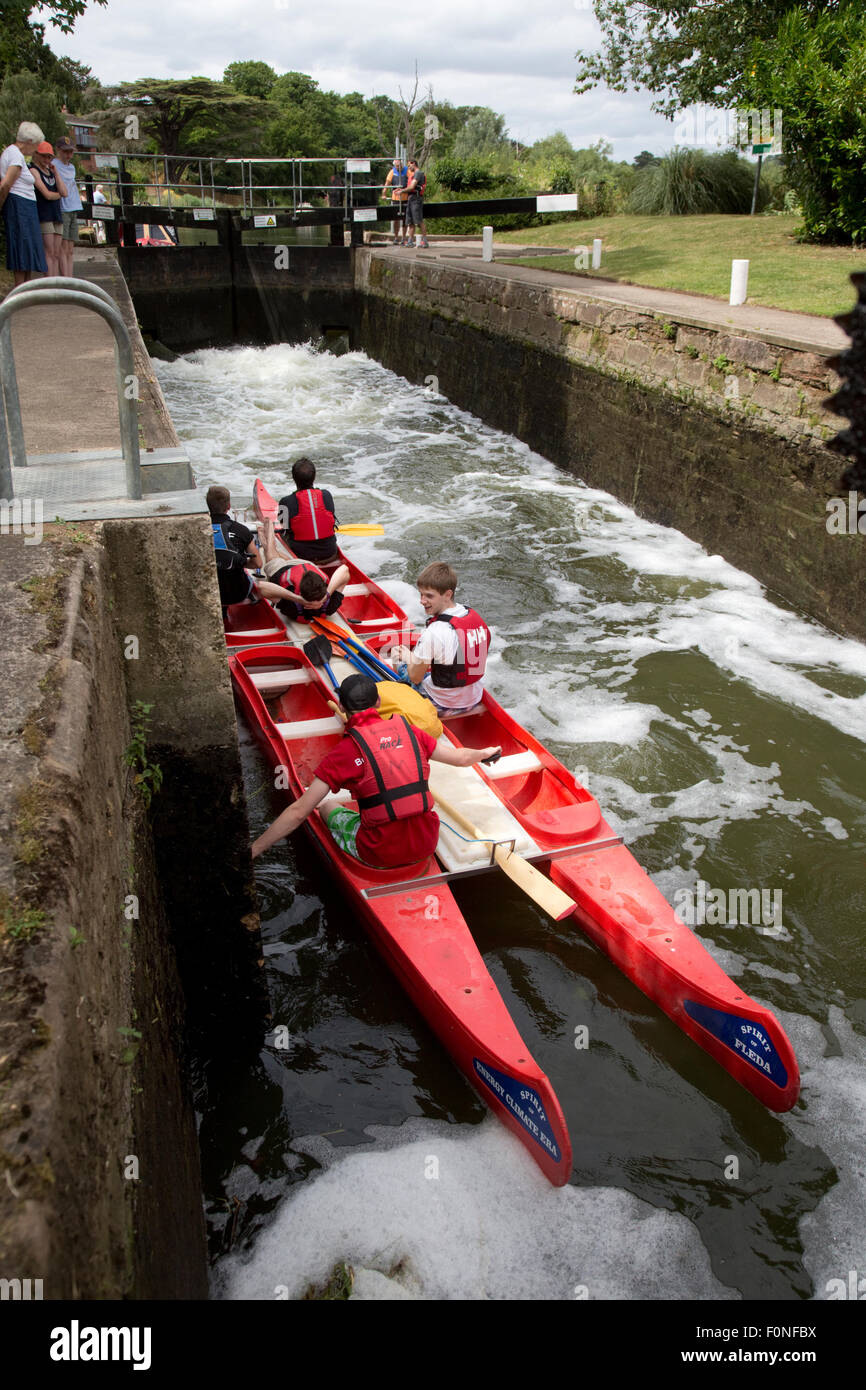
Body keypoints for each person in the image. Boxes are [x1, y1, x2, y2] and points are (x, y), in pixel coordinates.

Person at [251, 673, 501, 866]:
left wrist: (254, 849)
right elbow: (460, 758)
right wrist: (484, 754)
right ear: (378, 702)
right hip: (426, 842)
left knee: (326, 806)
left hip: (377, 852)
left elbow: (298, 812)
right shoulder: (412, 731)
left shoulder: (345, 751)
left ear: (342, 707)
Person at [404, 562, 491, 716]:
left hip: (442, 703)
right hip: (474, 698)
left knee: (402, 666)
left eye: (429, 596)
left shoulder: (435, 631)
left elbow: (415, 678)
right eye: (421, 594)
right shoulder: (474, 617)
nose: (422, 601)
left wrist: (407, 658)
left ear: (448, 594)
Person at [206, 483, 287, 613]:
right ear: (229, 507)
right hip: (238, 593)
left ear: (208, 507)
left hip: (210, 593)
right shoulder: (241, 530)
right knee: (249, 574)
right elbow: (257, 563)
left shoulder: (200, 531)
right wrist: (238, 562)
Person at [260, 513, 350, 623]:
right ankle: (269, 533)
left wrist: (295, 598)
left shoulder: (292, 606)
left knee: (271, 554)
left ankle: (266, 535)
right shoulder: (329, 606)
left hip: (298, 567)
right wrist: (327, 594)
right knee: (271, 554)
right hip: (294, 567)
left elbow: (260, 587)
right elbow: (344, 570)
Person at [0, 123, 48, 285]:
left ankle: (26, 291)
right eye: (35, 145)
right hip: (19, 206)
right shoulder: (14, 155)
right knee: (21, 249)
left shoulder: (15, 154)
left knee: (27, 251)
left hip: (25, 206)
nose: (35, 150)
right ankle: (20, 291)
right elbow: (6, 184)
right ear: (28, 141)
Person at [277, 457, 340, 567]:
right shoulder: (326, 495)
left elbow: (284, 526)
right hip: (330, 554)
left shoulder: (285, 501)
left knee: (281, 535)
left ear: (293, 478)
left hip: (301, 556)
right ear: (314, 477)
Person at [30, 141, 66, 278]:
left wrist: (56, 173)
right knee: (49, 252)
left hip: (56, 214)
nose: (46, 160)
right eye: (44, 156)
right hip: (44, 214)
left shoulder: (50, 171)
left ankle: (55, 281)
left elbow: (64, 191)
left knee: (56, 253)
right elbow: (47, 194)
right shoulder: (34, 170)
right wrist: (59, 195)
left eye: (49, 157)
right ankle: (49, 281)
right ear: (37, 155)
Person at [52, 136, 83, 277]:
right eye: (65, 152)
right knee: (63, 248)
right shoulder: (53, 165)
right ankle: (65, 279)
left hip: (73, 207)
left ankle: (70, 278)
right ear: (58, 150)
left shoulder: (72, 167)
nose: (68, 155)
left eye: (70, 152)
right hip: (63, 208)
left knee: (70, 248)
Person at [381, 158, 409, 246]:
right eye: (396, 166)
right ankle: (396, 237)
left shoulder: (407, 171)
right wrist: (384, 193)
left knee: (405, 219)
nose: (398, 167)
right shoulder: (392, 172)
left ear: (402, 164)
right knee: (395, 219)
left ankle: (404, 237)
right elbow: (387, 183)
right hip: (395, 199)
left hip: (405, 198)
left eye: (399, 165)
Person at [405, 160, 429, 249]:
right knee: (410, 221)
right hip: (410, 198)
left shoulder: (418, 173)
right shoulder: (413, 174)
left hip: (416, 198)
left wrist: (402, 191)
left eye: (409, 165)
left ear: (413, 163)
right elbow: (409, 187)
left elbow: (412, 186)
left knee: (419, 221)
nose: (408, 167)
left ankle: (425, 241)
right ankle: (410, 241)